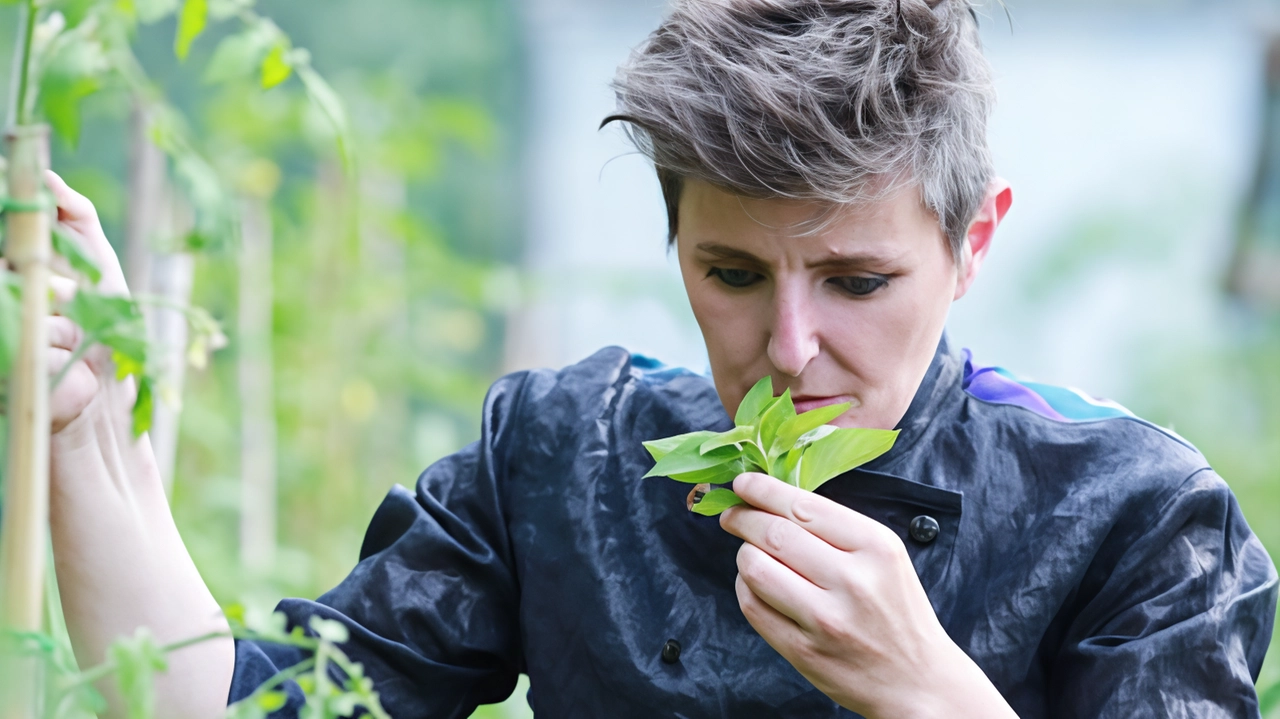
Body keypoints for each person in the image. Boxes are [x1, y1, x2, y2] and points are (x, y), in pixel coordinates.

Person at [45, 0, 1277, 717]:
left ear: (971, 244)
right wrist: (91, 438)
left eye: (856, 281)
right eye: (731, 275)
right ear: (673, 238)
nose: (790, 348)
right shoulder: (563, 458)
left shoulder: (1134, 519)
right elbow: (263, 710)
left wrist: (923, 688)